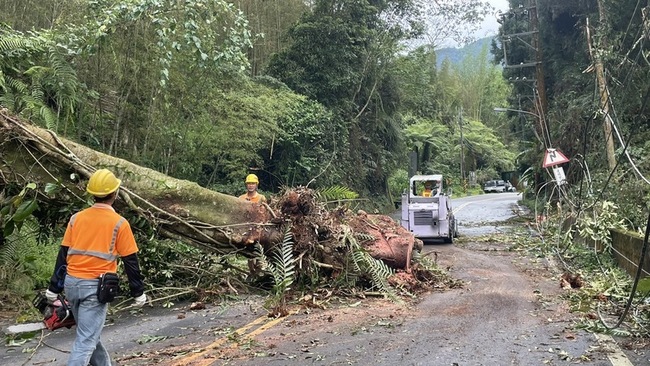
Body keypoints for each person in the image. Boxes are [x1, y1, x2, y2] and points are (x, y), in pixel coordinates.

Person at [45, 169, 147, 366]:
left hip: (72, 285)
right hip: (96, 288)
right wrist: (138, 292)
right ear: (115, 194)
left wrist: (54, 288)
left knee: (88, 334)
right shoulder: (120, 223)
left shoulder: (76, 218)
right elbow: (130, 261)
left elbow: (63, 255)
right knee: (86, 340)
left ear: (92, 194)